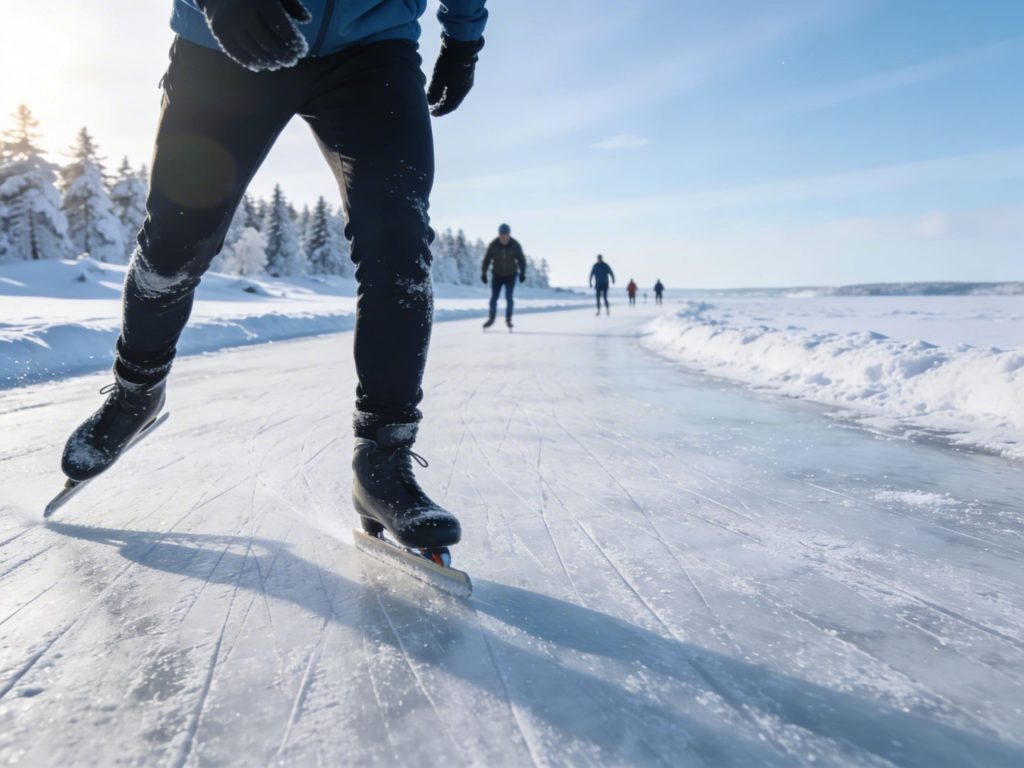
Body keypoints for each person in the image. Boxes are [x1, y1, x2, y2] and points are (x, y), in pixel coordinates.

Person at [57, 0, 491, 558]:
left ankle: (382, 459)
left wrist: (463, 37)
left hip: (373, 48)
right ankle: (136, 390)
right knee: (176, 241)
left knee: (399, 250)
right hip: (228, 38)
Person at [481, 223, 526, 329]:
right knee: (494, 298)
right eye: (502, 234)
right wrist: (483, 273)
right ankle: (491, 318)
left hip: (511, 275)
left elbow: (521, 259)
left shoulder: (515, 245)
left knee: (509, 298)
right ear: (499, 234)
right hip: (497, 275)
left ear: (509, 234)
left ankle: (508, 319)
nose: (504, 236)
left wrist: (523, 272)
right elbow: (487, 260)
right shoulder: (493, 245)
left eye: (506, 234)